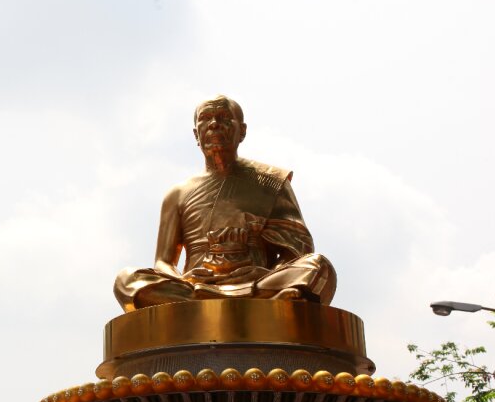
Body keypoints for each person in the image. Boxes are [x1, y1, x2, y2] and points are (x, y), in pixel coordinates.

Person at [114, 95, 336, 312]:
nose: (214, 124)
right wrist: (185, 280)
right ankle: (236, 298)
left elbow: (297, 251)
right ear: (196, 134)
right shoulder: (177, 194)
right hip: (197, 284)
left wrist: (263, 274)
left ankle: (236, 295)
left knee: (318, 267)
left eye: (223, 117)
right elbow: (162, 262)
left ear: (242, 131)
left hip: (255, 280)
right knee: (126, 280)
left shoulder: (269, 182)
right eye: (206, 118)